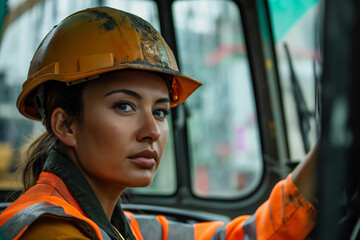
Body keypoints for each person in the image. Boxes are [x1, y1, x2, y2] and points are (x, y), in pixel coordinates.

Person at [0, 7, 317, 240]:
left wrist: (329, 152)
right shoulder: (49, 231)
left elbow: (241, 236)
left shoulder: (120, 226)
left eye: (161, 111)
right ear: (66, 126)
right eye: (124, 106)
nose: (151, 131)